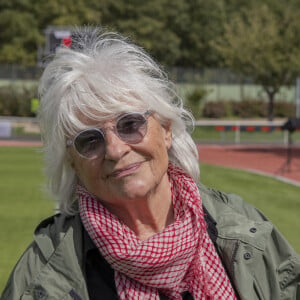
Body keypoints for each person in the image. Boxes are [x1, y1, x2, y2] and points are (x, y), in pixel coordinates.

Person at [1, 27, 299, 300]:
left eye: (130, 124)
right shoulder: (39, 276)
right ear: (72, 163)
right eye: (89, 141)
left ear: (166, 129)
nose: (115, 151)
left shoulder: (245, 230)